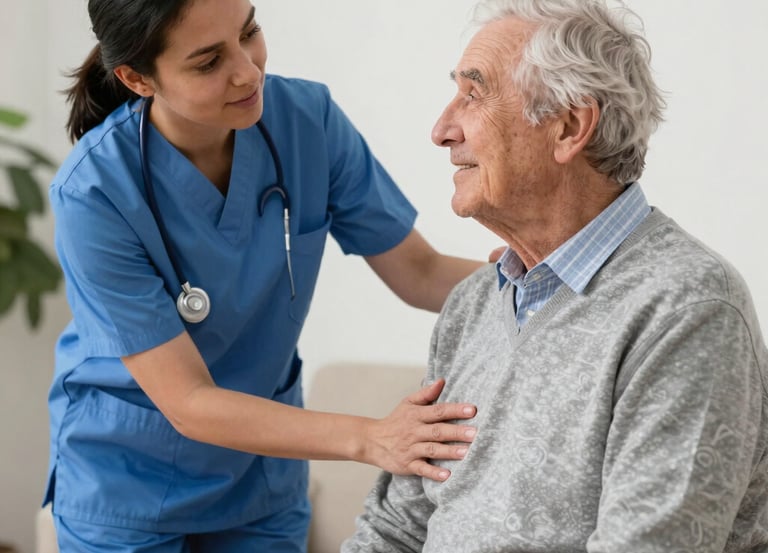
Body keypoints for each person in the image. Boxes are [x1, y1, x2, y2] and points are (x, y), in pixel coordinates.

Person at [43, 0, 487, 551]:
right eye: (208, 62)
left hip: (261, 476)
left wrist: (542, 272)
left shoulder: (308, 121)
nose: (248, 71)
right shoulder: (95, 193)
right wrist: (372, 438)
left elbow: (419, 272)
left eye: (249, 31)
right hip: (127, 482)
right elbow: (189, 401)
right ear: (137, 78)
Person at [342, 0, 768, 551]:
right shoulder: (472, 305)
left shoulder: (687, 309)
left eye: (474, 94)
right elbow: (396, 528)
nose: (442, 130)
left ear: (568, 126)